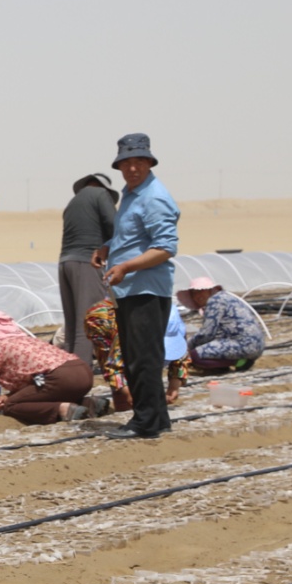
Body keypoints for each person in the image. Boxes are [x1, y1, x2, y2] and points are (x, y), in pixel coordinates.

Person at [94, 134, 180, 439]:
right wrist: (107, 247)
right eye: (127, 163)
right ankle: (157, 418)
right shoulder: (131, 195)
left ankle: (146, 422)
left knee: (143, 358)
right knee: (136, 356)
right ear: (119, 166)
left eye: (139, 162)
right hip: (128, 288)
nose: (132, 168)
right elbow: (130, 237)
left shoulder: (154, 197)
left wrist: (126, 266)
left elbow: (165, 248)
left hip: (145, 289)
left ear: (149, 163)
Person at [0, 311, 103, 424]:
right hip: (83, 373)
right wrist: (8, 395)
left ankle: (63, 409)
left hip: (61, 379)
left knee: (11, 407)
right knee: (30, 396)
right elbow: (32, 380)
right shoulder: (27, 340)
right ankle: (87, 403)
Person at [84, 294, 189, 413]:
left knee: (148, 367)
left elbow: (181, 357)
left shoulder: (174, 323)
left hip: (137, 310)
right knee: (123, 364)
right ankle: (123, 404)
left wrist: (174, 387)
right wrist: (128, 395)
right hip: (102, 321)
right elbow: (114, 367)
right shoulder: (126, 333)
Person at [58, 174, 119, 353]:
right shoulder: (100, 194)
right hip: (87, 263)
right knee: (88, 324)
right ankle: (83, 368)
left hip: (65, 263)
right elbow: (115, 226)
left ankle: (72, 366)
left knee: (71, 328)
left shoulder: (72, 203)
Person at [179, 277, 266, 374]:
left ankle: (240, 362)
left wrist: (187, 347)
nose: (198, 296)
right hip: (256, 344)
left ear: (210, 290)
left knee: (195, 356)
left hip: (243, 344)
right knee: (203, 349)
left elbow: (206, 334)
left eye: (201, 291)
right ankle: (222, 367)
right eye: (194, 293)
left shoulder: (214, 301)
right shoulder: (226, 298)